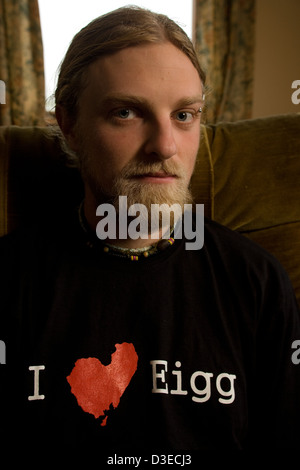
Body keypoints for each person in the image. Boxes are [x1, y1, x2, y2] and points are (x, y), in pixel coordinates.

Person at [0, 6, 300, 455]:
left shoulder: (256, 282)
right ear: (68, 124)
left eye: (184, 115)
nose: (165, 145)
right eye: (126, 112)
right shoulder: (7, 280)